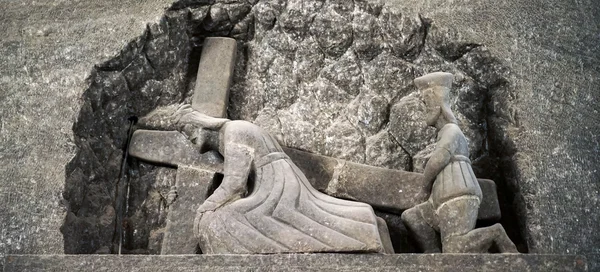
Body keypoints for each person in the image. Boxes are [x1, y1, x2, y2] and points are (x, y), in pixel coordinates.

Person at [140, 104, 393, 254]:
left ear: (201, 123)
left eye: (188, 131)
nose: (191, 140)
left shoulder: (234, 132)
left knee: (219, 220)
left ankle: (360, 230)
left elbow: (235, 186)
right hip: (275, 184)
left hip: (276, 189)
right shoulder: (232, 133)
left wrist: (205, 208)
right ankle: (364, 224)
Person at [401, 72, 518, 253]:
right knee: (413, 216)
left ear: (437, 106)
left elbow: (439, 158)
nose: (423, 110)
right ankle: (435, 258)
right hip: (441, 198)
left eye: (425, 104)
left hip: (457, 192)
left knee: (455, 248)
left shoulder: (452, 130)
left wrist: (424, 187)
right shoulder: (445, 133)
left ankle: (496, 234)